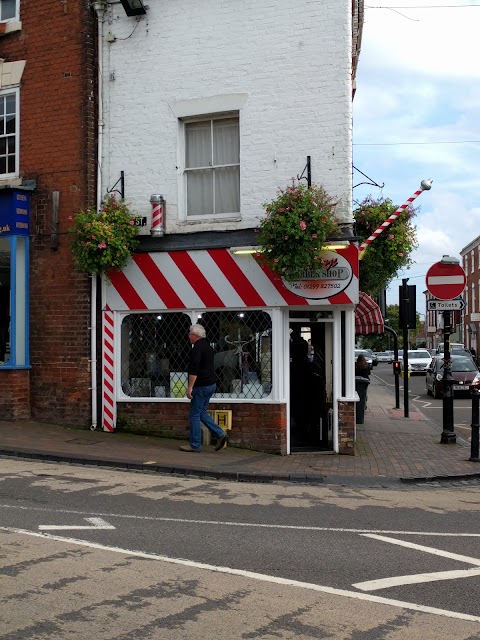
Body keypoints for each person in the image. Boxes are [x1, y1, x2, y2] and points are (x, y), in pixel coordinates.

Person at [179, 324, 228, 453]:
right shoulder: (208, 347)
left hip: (201, 386)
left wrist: (189, 388)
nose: (188, 336)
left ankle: (195, 445)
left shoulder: (197, 349)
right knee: (201, 413)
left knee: (194, 415)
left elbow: (194, 369)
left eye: (190, 334)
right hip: (211, 384)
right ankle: (220, 433)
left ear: (195, 335)